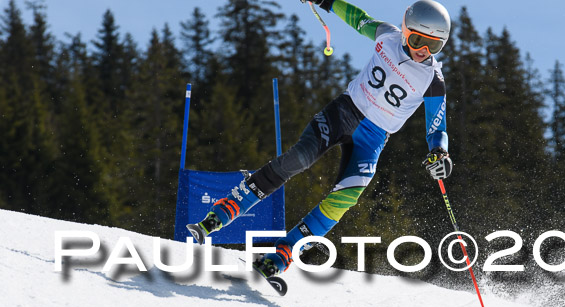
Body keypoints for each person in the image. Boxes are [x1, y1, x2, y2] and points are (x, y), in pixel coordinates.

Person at [187, 0, 453, 278]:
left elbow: (437, 127)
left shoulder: (433, 80)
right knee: (299, 158)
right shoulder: (387, 35)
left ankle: (286, 251)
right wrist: (327, 2)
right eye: (417, 40)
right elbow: (356, 18)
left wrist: (440, 152)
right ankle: (230, 206)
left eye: (433, 46)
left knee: (347, 195)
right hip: (344, 112)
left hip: (373, 139)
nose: (423, 51)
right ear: (404, 29)